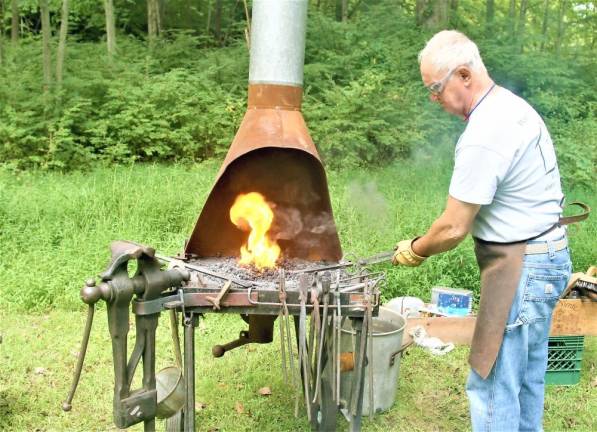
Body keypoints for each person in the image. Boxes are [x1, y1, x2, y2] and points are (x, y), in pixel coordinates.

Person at [392, 30, 576, 431]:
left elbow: (454, 226)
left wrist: (417, 248)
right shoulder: (511, 106)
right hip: (546, 256)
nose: (434, 99)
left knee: (492, 383)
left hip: (521, 268)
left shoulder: (484, 134)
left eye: (436, 89)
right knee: (525, 380)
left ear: (462, 75)